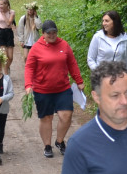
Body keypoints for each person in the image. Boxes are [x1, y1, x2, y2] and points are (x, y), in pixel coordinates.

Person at [24, 20, 84, 158]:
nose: (52, 35)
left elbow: (72, 63)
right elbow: (29, 67)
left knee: (66, 115)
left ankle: (59, 141)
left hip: (62, 88)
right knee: (47, 118)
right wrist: (28, 85)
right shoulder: (36, 48)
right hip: (42, 89)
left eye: (54, 32)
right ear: (43, 34)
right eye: (48, 33)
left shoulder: (64, 45)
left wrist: (79, 80)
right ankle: (47, 145)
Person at [87, 10, 127, 90]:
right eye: (103, 21)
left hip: (119, 79)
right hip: (102, 80)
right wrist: (100, 73)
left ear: (115, 22)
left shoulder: (124, 38)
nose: (104, 23)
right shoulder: (98, 37)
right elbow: (90, 59)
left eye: (107, 21)